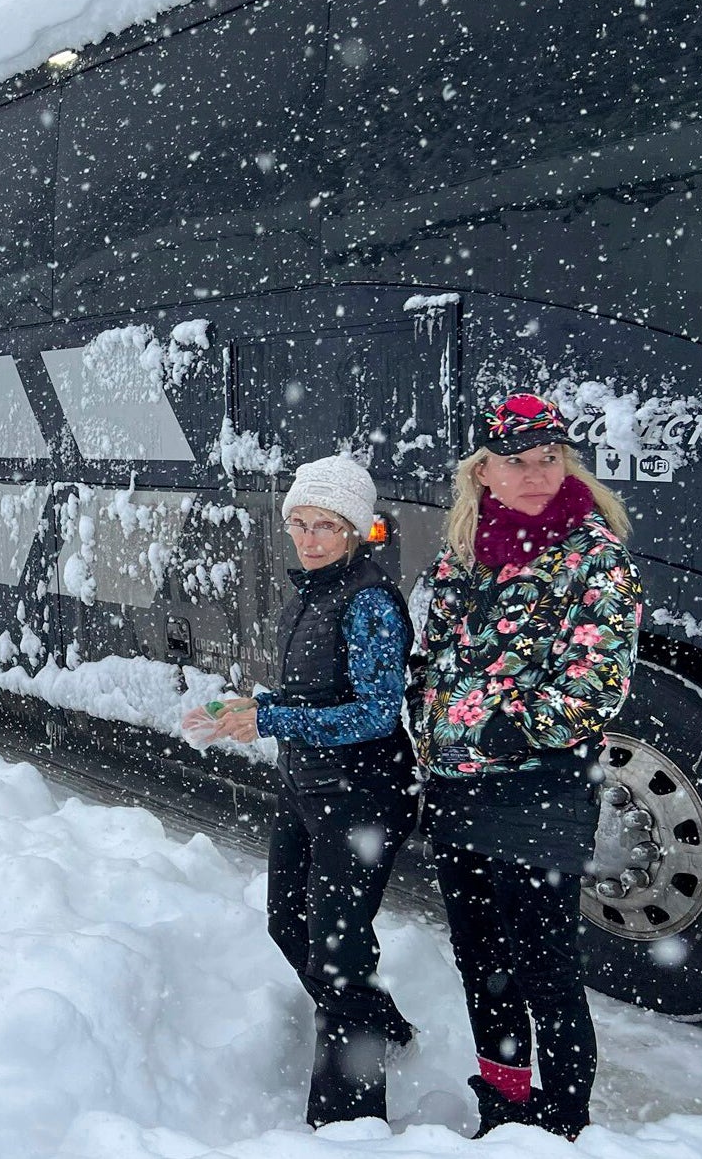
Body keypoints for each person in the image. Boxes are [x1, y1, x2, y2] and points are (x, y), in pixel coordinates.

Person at [415, 392, 640, 1140]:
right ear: (483, 470)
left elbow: (598, 679)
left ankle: (566, 1122)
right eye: (517, 462)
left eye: (549, 458)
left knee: (544, 967)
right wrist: (431, 720)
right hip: (456, 785)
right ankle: (505, 1106)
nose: (536, 474)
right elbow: (435, 653)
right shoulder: (464, 545)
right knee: (481, 960)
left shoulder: (593, 554)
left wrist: (518, 729)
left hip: (537, 789)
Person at [182, 455, 417, 1127]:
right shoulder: (312, 590)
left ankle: (348, 1122)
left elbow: (376, 712)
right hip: (308, 786)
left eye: (327, 526)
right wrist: (248, 709)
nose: (310, 538)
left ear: (355, 530)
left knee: (339, 950)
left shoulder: (368, 600)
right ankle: (383, 1029)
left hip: (362, 794)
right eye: (300, 524)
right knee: (287, 921)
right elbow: (316, 694)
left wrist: (271, 718)